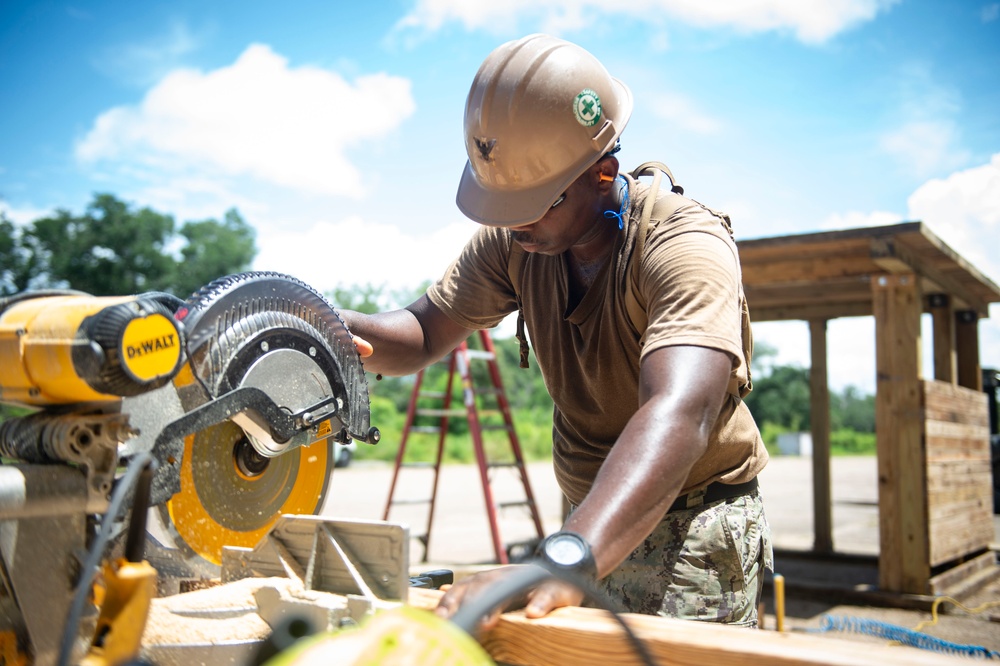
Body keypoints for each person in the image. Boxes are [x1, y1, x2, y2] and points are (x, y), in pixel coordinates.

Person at [343, 33, 772, 629]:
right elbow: (422, 329)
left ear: (603, 173)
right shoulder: (517, 238)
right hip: (587, 517)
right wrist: (326, 328)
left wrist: (566, 558)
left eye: (536, 202)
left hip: (691, 522)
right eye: (502, 201)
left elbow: (680, 413)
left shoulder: (684, 246)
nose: (514, 222)